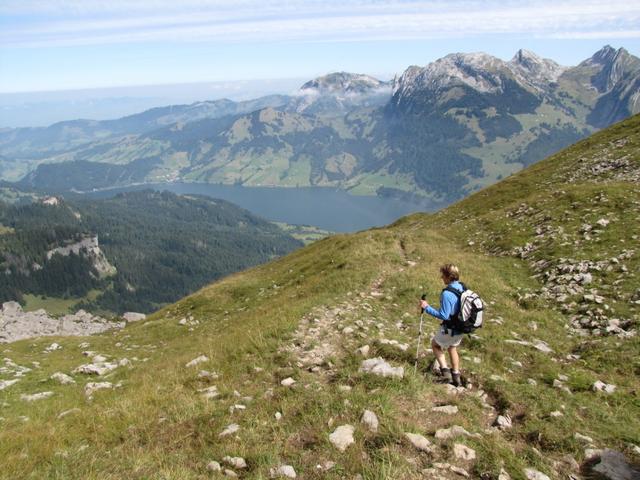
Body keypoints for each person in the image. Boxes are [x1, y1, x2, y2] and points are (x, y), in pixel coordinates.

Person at [419, 264, 464, 387]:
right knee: (452, 348)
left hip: (450, 328)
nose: (441, 278)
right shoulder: (462, 287)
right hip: (462, 327)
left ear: (449, 277)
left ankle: (445, 373)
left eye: (443, 275)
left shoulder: (447, 294)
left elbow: (444, 315)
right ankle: (456, 376)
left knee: (435, 345)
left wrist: (426, 307)